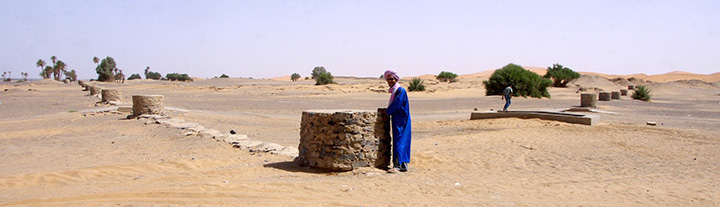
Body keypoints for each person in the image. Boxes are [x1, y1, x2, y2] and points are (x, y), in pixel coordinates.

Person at [384, 70, 412, 173]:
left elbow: (397, 104)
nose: (390, 81)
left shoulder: (400, 90)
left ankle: (398, 165)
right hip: (398, 119)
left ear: (396, 79)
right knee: (401, 140)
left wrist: (387, 112)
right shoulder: (395, 91)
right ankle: (402, 164)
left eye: (392, 79)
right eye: (388, 79)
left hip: (401, 120)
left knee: (399, 140)